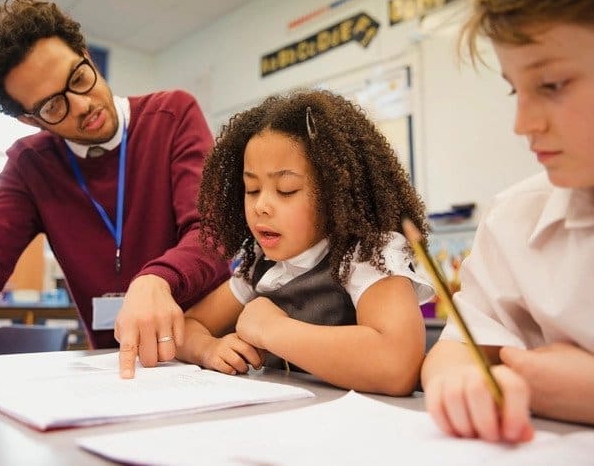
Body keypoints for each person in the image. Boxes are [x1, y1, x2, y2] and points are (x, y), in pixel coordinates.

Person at [0, 0, 229, 376]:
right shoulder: (31, 166)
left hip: (207, 351)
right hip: (117, 370)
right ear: (30, 120)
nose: (81, 106)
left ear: (86, 54)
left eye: (78, 78)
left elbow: (210, 231)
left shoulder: (171, 116)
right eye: (53, 106)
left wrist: (159, 279)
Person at [421, 0, 594, 443]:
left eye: (553, 85)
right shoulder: (514, 219)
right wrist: (462, 382)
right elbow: (455, 352)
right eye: (514, 89)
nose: (523, 124)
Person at [175, 89, 434, 394]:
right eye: (252, 189)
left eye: (286, 190)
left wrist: (270, 330)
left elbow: (396, 365)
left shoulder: (368, 254)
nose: (261, 206)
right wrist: (207, 349)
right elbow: (185, 326)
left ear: (336, 193)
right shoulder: (259, 265)